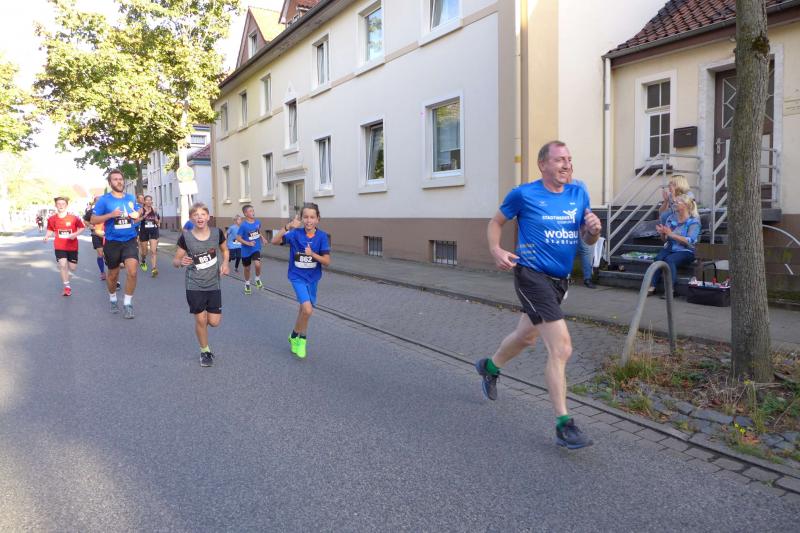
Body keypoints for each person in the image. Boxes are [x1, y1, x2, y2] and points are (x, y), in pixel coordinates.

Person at [476, 140, 602, 450]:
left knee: (526, 337)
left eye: (569, 159)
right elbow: (496, 222)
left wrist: (594, 231)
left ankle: (489, 368)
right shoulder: (524, 194)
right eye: (559, 160)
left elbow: (586, 239)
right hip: (531, 275)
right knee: (561, 348)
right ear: (543, 164)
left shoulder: (579, 193)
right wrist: (495, 249)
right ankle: (564, 424)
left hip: (560, 281)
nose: (566, 164)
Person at [271, 203, 331, 359]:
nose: (309, 220)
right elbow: (274, 241)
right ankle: (302, 339)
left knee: (304, 310)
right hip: (297, 276)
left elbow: (326, 261)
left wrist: (313, 255)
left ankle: (293, 336)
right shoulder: (295, 234)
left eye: (312, 217)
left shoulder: (322, 236)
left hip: (313, 278)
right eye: (306, 217)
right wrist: (288, 226)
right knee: (308, 310)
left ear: (317, 219)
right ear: (302, 219)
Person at [173, 203, 229, 367]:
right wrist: (180, 262)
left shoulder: (217, 233)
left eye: (203, 214)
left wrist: (225, 263)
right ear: (191, 218)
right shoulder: (186, 237)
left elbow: (225, 250)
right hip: (194, 284)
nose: (199, 217)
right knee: (200, 319)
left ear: (208, 217)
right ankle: (205, 351)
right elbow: (176, 260)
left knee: (214, 322)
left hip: (213, 283)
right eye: (196, 215)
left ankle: (204, 334)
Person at [91, 169, 142, 318]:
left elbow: (137, 212)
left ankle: (127, 304)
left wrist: (137, 214)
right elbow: (93, 220)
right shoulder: (104, 200)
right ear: (110, 182)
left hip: (130, 239)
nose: (119, 182)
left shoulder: (131, 198)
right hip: (112, 242)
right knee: (113, 275)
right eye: (115, 179)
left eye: (120, 179)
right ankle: (113, 298)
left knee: (132, 271)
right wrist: (110, 215)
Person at [647, 194, 701, 298]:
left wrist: (671, 234)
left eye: (678, 202)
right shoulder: (671, 218)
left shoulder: (694, 222)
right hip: (670, 247)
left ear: (685, 205)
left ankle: (670, 289)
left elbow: (689, 241)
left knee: (669, 260)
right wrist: (662, 233)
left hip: (686, 250)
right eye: (675, 202)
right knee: (658, 259)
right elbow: (665, 240)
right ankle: (652, 286)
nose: (675, 204)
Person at [44, 197, 85, 296]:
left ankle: (65, 273)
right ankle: (67, 287)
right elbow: (50, 229)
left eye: (63, 204)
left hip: (72, 246)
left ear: (66, 205)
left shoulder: (74, 218)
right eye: (59, 204)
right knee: (63, 265)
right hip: (59, 246)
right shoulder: (52, 219)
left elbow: (82, 227)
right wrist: (47, 236)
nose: (61, 206)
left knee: (72, 268)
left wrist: (75, 234)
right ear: (55, 205)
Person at [568, 176, 596, 289]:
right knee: (567, 249)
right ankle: (565, 277)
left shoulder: (579, 184)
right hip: (564, 223)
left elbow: (586, 203)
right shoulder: (556, 184)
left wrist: (587, 220)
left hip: (580, 222)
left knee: (586, 249)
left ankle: (587, 278)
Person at [236, 205, 267, 295]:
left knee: (257, 264)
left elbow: (258, 231)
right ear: (245, 214)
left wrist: (262, 238)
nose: (253, 212)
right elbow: (238, 238)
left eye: (253, 210)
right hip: (246, 250)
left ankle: (257, 279)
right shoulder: (243, 226)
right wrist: (248, 243)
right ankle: (247, 283)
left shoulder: (258, 222)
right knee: (247, 268)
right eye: (250, 211)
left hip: (255, 248)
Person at [84, 196, 106, 280]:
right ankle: (102, 272)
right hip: (96, 234)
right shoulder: (91, 212)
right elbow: (85, 220)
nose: (99, 202)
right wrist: (90, 225)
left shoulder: (107, 211)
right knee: (100, 254)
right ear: (95, 203)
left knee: (108, 254)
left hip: (107, 234)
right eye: (97, 201)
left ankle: (111, 270)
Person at [138, 195, 161, 277]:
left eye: (150, 200)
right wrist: (144, 216)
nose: (148, 201)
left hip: (153, 231)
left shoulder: (154, 210)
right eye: (147, 200)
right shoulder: (141, 210)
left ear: (152, 201)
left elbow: (158, 222)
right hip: (144, 232)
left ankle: (154, 269)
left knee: (153, 251)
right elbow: (136, 220)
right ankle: (143, 260)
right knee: (145, 252)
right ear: (144, 202)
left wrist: (157, 221)